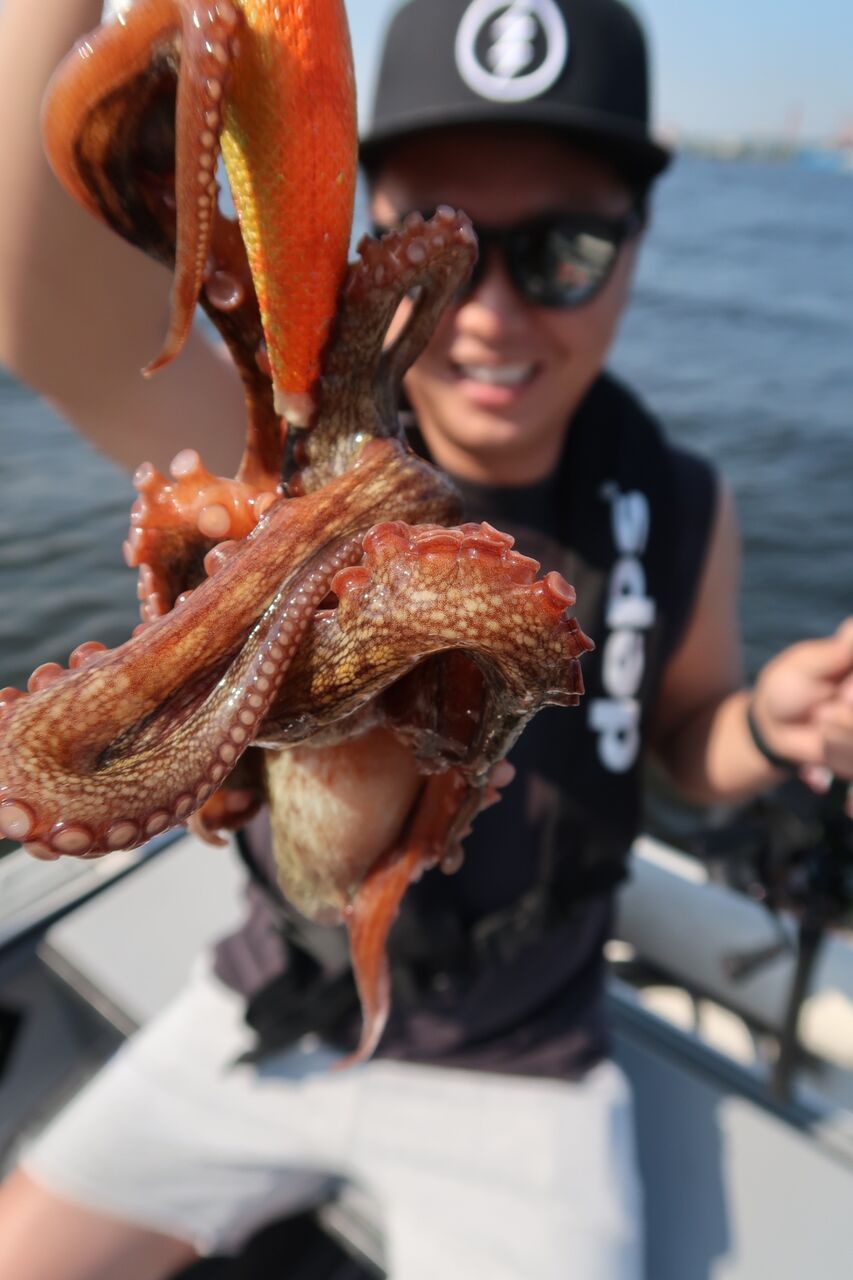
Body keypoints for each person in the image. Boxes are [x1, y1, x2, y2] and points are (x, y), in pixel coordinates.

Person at [0, 1, 851, 1277]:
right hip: (263, 1000)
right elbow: (31, 289)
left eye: (563, 250)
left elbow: (686, 741)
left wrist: (770, 726)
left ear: (635, 243)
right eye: (442, 230)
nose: (492, 315)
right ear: (360, 215)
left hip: (526, 1066)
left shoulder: (678, 504)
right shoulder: (275, 448)